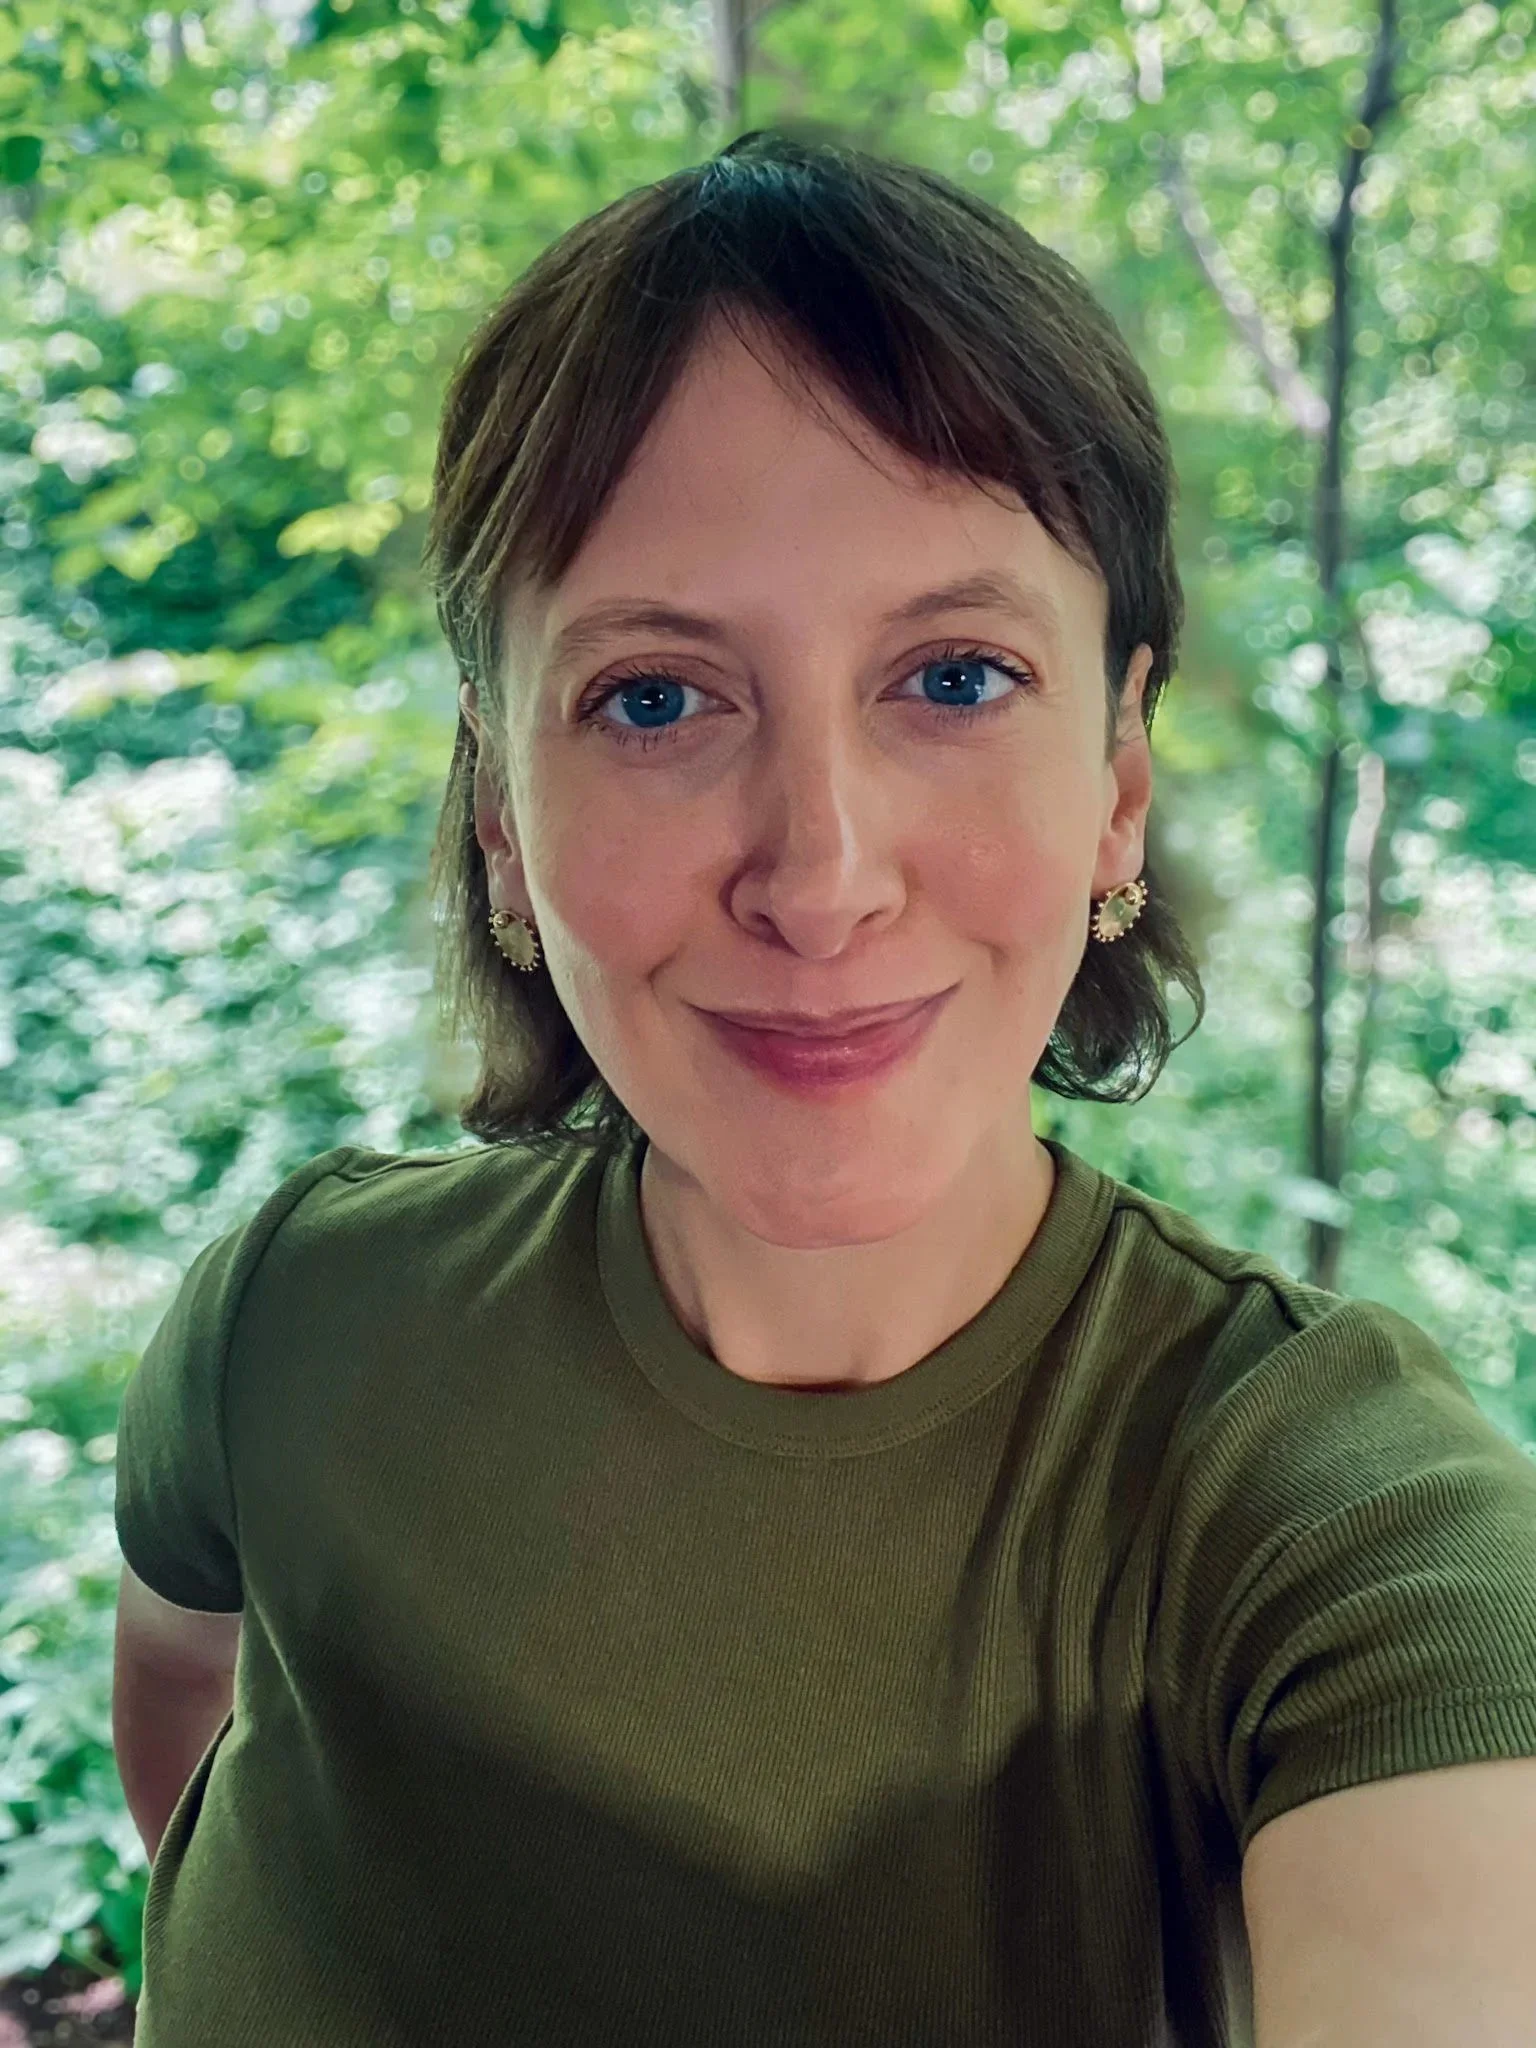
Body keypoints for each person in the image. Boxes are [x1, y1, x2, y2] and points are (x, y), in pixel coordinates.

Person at [113, 129, 1536, 2048]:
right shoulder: (286, 1315)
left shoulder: (1333, 1528)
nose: (823, 876)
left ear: (1119, 777)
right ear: (501, 820)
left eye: (953, 677)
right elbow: (186, 1732)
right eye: (654, 698)